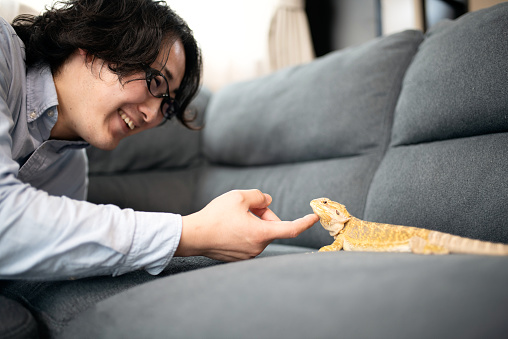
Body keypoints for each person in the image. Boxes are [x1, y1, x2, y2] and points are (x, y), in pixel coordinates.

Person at [0, 0, 318, 280]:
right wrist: (193, 233)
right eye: (155, 81)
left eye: (167, 105)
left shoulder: (69, 170)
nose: (153, 116)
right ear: (94, 42)